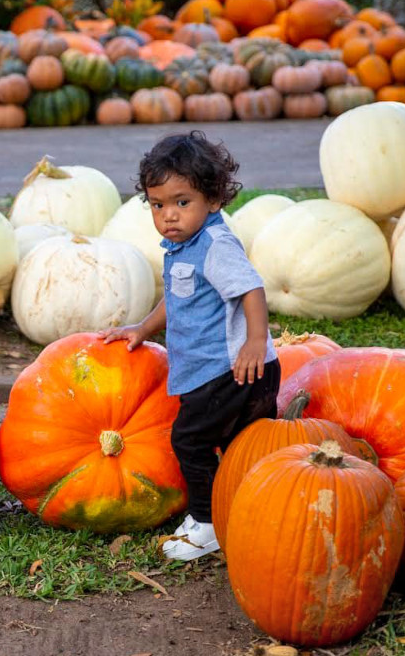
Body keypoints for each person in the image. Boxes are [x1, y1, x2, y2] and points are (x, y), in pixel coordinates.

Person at [100, 131, 279, 561]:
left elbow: (251, 289)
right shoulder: (183, 247)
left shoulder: (215, 245)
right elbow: (179, 298)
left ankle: (206, 522)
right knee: (241, 447)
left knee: (190, 441)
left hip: (230, 369)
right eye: (158, 205)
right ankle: (246, 511)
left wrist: (255, 342)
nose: (169, 216)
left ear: (214, 200)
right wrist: (145, 327)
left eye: (182, 202)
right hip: (218, 369)